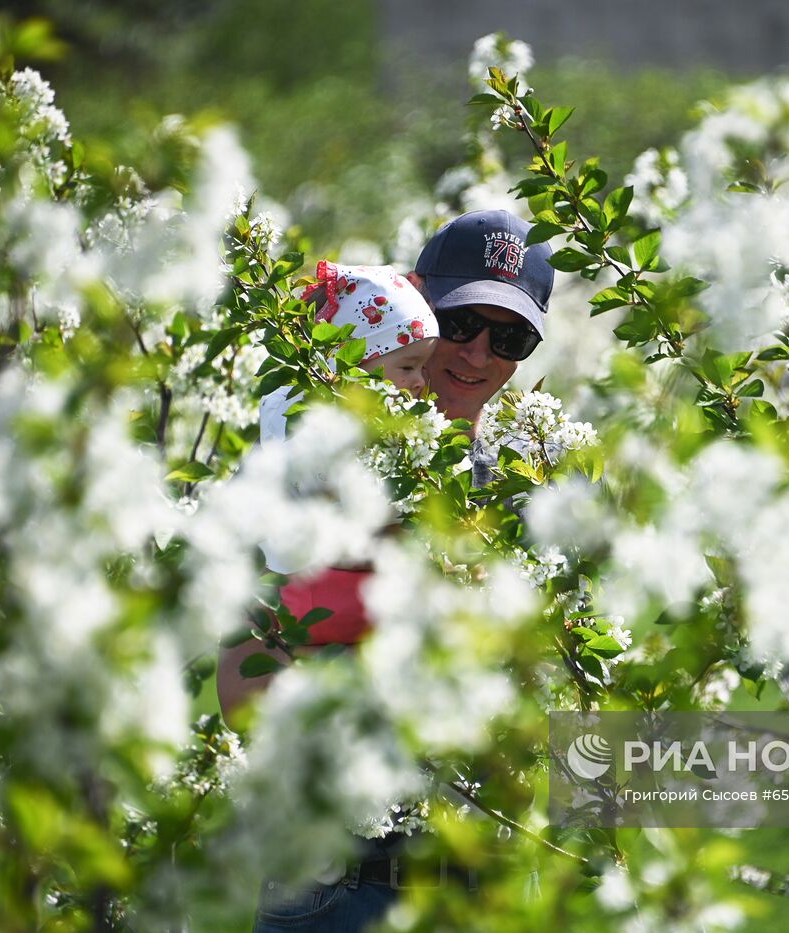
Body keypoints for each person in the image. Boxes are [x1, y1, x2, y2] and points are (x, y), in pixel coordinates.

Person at [217, 210, 554, 933]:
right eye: (460, 323)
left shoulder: (524, 497)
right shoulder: (303, 476)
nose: (477, 354)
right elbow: (243, 687)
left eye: (511, 336)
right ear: (411, 306)